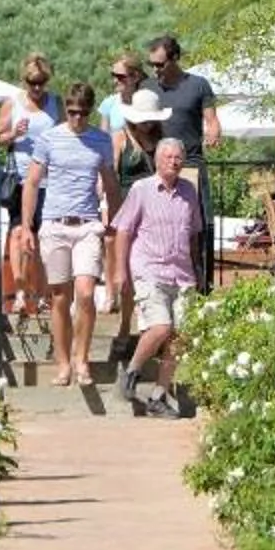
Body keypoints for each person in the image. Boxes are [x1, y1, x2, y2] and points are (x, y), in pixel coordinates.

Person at [20, 83, 120, 386]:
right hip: (55, 223)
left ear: (89, 112)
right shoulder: (49, 138)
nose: (77, 118)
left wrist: (114, 222)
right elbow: (32, 183)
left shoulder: (100, 141)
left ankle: (82, 358)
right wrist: (27, 227)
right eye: (73, 112)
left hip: (88, 223)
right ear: (66, 109)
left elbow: (111, 183)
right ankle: (63, 361)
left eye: (83, 113)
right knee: (60, 297)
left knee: (87, 293)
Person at [111, 134, 202, 417]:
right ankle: (132, 372)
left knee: (179, 337)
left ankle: (158, 396)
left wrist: (196, 267)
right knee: (160, 327)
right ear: (157, 160)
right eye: (168, 157)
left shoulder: (189, 191)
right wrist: (118, 270)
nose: (174, 162)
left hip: (182, 273)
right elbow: (123, 230)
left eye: (178, 158)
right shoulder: (142, 189)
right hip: (150, 269)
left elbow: (194, 233)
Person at [143, 34, 222, 287]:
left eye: (160, 64)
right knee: (159, 226)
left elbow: (211, 119)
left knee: (197, 225)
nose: (156, 70)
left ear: (175, 58)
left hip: (190, 165)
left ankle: (201, 285)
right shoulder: (148, 89)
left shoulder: (198, 85)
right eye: (152, 64)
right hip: (157, 167)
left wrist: (214, 130)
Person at [0, 53, 57, 317]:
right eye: (32, 83)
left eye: (42, 82)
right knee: (19, 233)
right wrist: (13, 134)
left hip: (49, 180)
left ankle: (40, 295)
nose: (37, 88)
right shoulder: (12, 103)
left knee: (42, 238)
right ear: (24, 81)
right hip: (20, 178)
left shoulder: (55, 104)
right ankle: (19, 292)